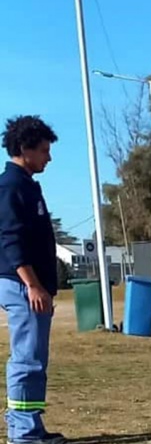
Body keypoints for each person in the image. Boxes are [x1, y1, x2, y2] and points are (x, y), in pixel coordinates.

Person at [0, 116, 66, 444]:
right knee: (27, 358)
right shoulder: (11, 186)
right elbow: (10, 240)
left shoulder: (26, 185)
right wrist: (33, 284)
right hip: (23, 284)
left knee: (36, 359)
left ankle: (29, 425)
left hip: (32, 285)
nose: (48, 158)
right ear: (24, 149)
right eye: (43, 151)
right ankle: (23, 434)